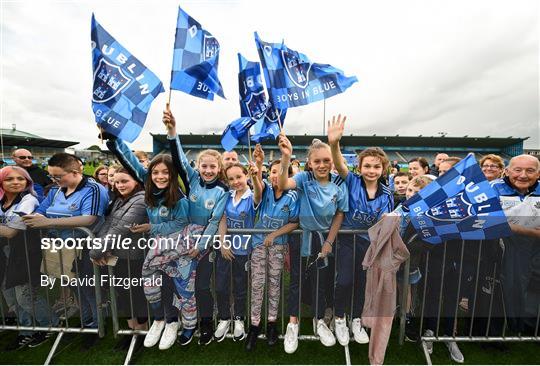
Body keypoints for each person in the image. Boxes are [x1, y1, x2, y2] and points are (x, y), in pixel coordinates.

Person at [105, 131, 202, 350]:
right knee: (154, 287)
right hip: (158, 252)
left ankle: (188, 326)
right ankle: (162, 321)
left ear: (173, 174)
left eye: (165, 173)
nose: (160, 177)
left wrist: (151, 227)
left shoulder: (179, 198)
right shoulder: (149, 188)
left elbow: (180, 224)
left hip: (181, 253)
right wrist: (114, 140)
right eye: (155, 172)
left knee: (185, 291)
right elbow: (130, 163)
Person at [22, 153, 108, 350]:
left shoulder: (93, 189)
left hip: (85, 248)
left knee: (88, 288)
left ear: (75, 172)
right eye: (52, 176)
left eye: (58, 176)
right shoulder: (55, 190)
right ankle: (87, 322)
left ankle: (97, 326)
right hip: (60, 247)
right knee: (75, 287)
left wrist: (49, 222)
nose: (54, 180)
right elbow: (42, 210)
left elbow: (89, 219)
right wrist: (31, 217)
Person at [164, 106, 229, 346]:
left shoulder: (223, 191)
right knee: (181, 285)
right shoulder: (191, 179)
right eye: (204, 166)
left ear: (219, 168)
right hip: (183, 242)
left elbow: (214, 221)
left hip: (204, 247)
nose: (208, 170)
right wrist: (173, 131)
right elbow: (179, 158)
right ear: (198, 167)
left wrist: (201, 247)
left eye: (213, 167)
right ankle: (187, 323)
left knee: (201, 286)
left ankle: (206, 324)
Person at [277, 135, 348, 352]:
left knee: (321, 281)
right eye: (317, 161)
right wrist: (286, 157)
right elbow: (282, 184)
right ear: (310, 162)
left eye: (327, 160)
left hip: (324, 241)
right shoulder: (303, 178)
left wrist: (329, 242)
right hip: (301, 238)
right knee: (296, 281)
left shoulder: (339, 182)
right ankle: (292, 324)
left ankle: (319, 321)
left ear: (333, 161)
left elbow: (339, 215)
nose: (322, 165)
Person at [327, 115, 393, 347]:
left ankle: (356, 319)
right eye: (367, 166)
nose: (372, 170)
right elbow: (339, 164)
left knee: (361, 283)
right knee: (344, 280)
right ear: (360, 167)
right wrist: (334, 143)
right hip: (346, 241)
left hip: (369, 244)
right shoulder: (352, 181)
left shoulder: (387, 193)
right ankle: (338, 318)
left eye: (376, 166)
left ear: (383, 168)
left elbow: (386, 220)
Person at [89, 166, 148, 353]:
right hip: (117, 256)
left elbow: (120, 228)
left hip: (133, 257)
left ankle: (141, 333)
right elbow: (108, 225)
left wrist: (95, 252)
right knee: (123, 296)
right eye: (117, 181)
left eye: (125, 181)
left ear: (136, 182)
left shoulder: (140, 199)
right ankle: (131, 331)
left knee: (135, 296)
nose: (120, 185)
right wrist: (100, 249)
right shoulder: (120, 199)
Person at [246, 148, 299, 352]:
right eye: (273, 171)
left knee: (274, 286)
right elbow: (257, 190)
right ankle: (254, 326)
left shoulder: (293, 196)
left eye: (280, 171)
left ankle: (272, 324)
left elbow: (294, 223)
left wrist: (274, 235)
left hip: (278, 246)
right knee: (257, 285)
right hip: (259, 245)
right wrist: (258, 167)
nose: (276, 175)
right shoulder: (265, 189)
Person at [0, 166, 58, 351]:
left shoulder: (29, 200)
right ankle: (26, 331)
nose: (16, 182)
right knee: (11, 298)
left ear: (28, 182)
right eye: (10, 179)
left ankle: (51, 324)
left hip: (24, 254)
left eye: (21, 178)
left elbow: (11, 232)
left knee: (25, 297)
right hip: (3, 254)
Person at [491, 154, 540, 335]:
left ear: (538, 173)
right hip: (503, 248)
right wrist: (528, 231)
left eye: (530, 170)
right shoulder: (493, 188)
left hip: (535, 250)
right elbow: (488, 220)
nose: (523, 175)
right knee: (509, 287)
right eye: (517, 170)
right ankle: (510, 327)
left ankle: (530, 328)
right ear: (507, 171)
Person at [214, 161, 256, 343]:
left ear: (246, 174)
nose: (235, 181)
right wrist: (223, 243)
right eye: (231, 179)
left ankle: (239, 318)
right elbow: (222, 219)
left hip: (244, 251)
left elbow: (259, 193)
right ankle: (224, 318)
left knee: (240, 287)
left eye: (239, 177)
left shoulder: (253, 196)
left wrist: (257, 174)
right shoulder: (227, 196)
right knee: (221, 286)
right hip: (226, 250)